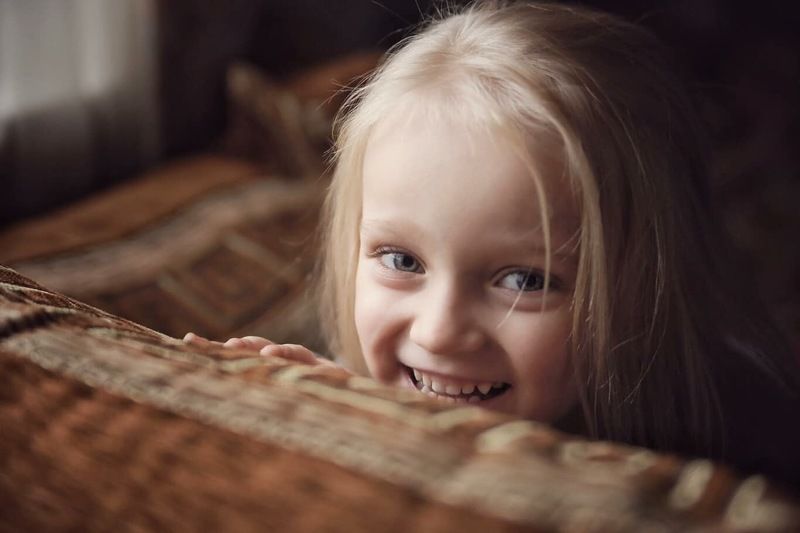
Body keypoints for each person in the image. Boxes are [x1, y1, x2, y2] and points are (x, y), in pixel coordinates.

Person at [186, 1, 800, 489]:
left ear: (650, 288)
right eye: (402, 261)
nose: (440, 333)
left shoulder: (731, 461)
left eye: (524, 280)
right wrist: (351, 411)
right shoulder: (372, 373)